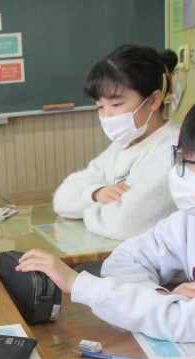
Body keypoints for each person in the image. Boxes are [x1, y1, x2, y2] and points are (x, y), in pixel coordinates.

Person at [17, 81, 195, 343]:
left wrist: (77, 284)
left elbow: (185, 321)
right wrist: (159, 298)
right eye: (178, 157)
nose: (177, 171)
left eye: (188, 162)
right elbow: (124, 261)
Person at [53, 45, 180, 240]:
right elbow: (62, 199)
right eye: (100, 107)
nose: (106, 116)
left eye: (116, 104)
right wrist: (97, 193)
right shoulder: (122, 146)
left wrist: (85, 208)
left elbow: (124, 224)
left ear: (154, 100)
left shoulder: (175, 151)